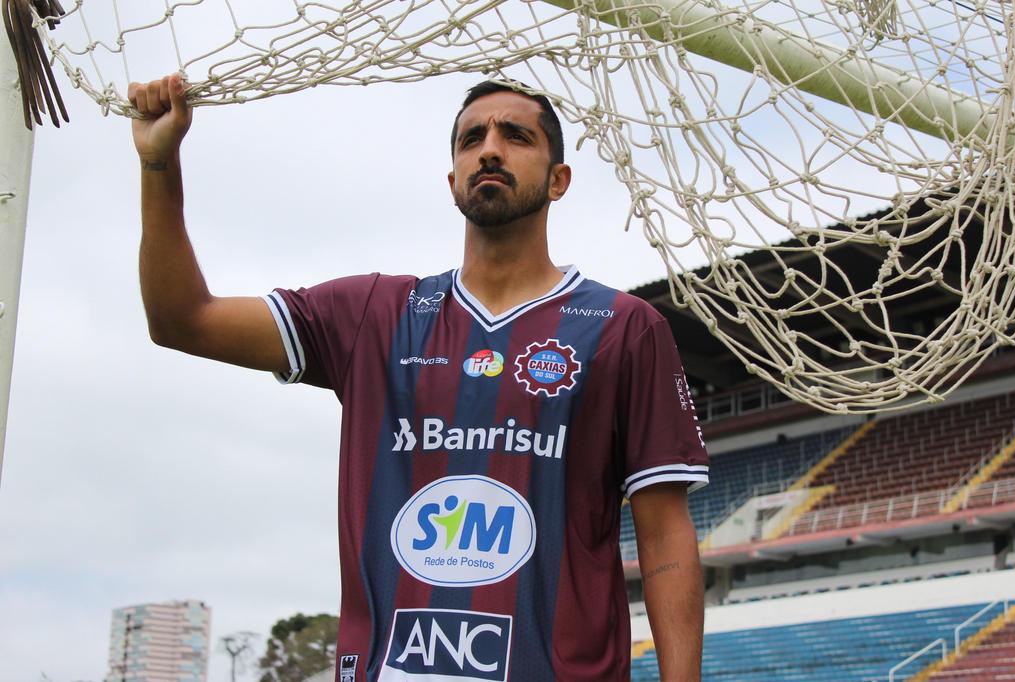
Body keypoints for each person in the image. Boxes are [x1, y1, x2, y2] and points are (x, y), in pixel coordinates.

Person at [127, 73, 710, 681]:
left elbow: (666, 535)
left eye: (516, 136)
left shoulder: (622, 327)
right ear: (453, 179)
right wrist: (159, 165)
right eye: (471, 139)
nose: (489, 148)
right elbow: (181, 320)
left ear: (558, 180)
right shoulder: (373, 316)